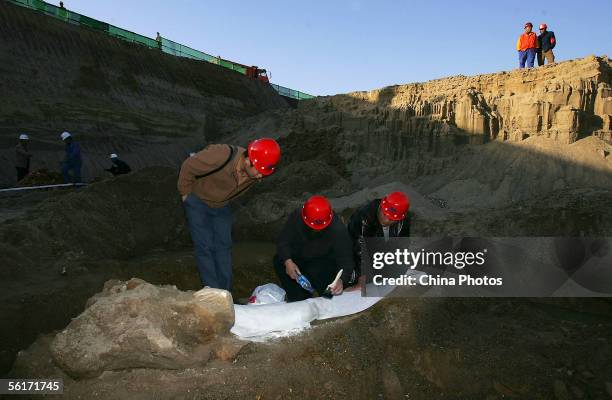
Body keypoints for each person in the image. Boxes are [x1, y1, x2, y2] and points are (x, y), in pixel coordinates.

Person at [178, 138, 281, 290]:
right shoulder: (220, 155)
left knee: (224, 247)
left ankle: (225, 292)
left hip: (221, 206)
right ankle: (212, 292)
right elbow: (188, 166)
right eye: (259, 171)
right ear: (247, 160)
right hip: (198, 203)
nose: (260, 176)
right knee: (204, 247)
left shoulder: (253, 173)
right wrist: (185, 195)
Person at [273, 195, 355, 302]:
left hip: (322, 264)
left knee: (329, 296)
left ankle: (324, 294)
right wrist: (288, 261)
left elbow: (346, 258)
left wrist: (341, 280)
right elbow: (283, 240)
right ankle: (300, 296)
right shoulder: (297, 216)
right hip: (299, 259)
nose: (315, 230)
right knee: (279, 261)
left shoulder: (337, 228)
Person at [345, 191, 411, 291]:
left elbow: (401, 246)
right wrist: (361, 281)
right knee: (349, 277)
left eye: (391, 219)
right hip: (355, 253)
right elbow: (360, 251)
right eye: (384, 214)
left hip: (379, 252)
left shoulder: (403, 221)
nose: (386, 220)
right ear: (381, 206)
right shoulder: (363, 217)